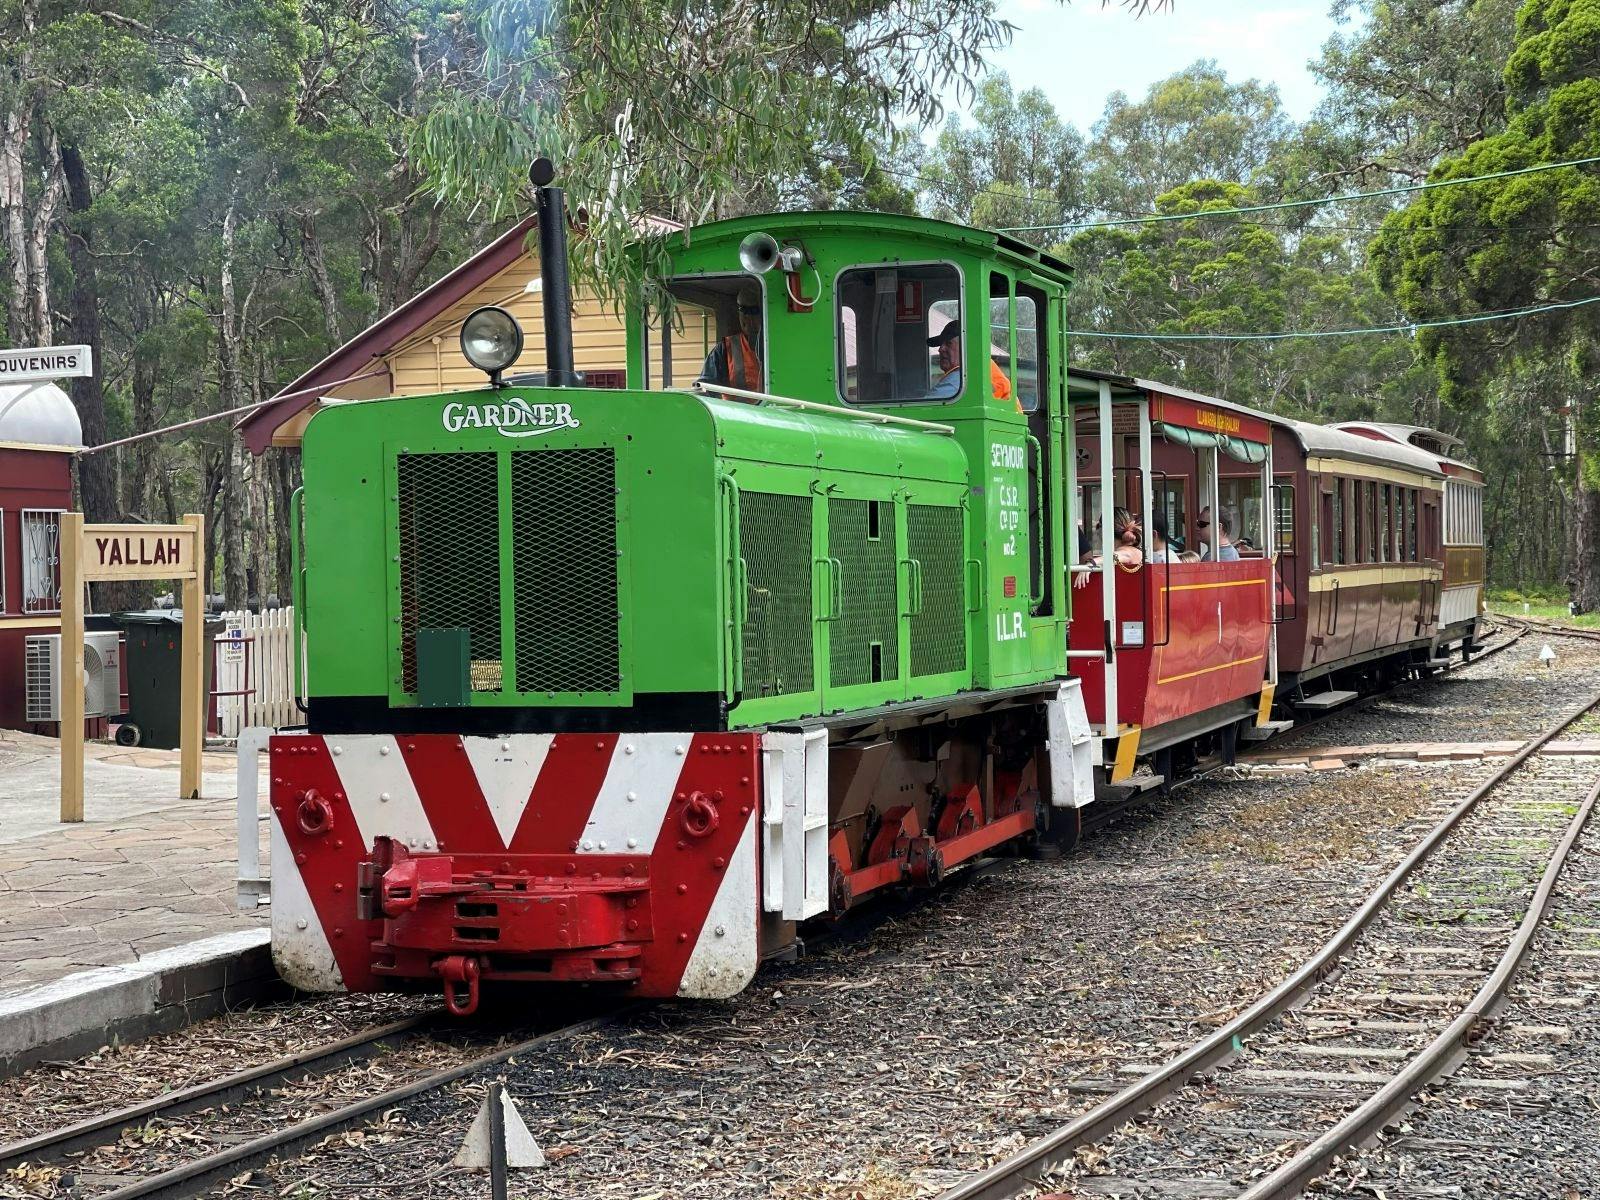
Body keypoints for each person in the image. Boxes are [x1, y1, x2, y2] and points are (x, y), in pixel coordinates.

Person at [925, 322, 1022, 412]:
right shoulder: (983, 368)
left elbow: (924, 408)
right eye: (941, 344)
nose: (940, 349)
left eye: (948, 343)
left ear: (967, 347)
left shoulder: (960, 379)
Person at [697, 282, 763, 390]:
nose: (747, 316)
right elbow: (705, 388)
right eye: (743, 310)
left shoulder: (780, 345)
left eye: (754, 311)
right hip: (735, 407)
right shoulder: (724, 349)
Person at [1073, 507, 1143, 587]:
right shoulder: (1135, 549)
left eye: (1098, 526)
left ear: (1104, 530)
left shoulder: (1128, 551)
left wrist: (1091, 563)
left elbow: (1123, 555)